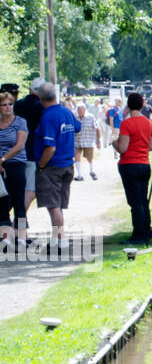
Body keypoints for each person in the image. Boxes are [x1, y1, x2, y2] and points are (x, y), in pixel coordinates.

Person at [32, 81, 79, 248]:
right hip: (67, 164)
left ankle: (61, 240)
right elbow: (77, 127)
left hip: (52, 167)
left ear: (39, 97)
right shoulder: (66, 112)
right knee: (57, 204)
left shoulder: (47, 117)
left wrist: (41, 165)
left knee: (53, 206)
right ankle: (57, 238)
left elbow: (50, 148)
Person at [115, 92, 152, 244]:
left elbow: (123, 148)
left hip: (129, 164)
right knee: (143, 200)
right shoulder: (149, 123)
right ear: (142, 105)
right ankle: (146, 230)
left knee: (135, 202)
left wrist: (114, 142)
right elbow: (151, 146)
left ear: (128, 105)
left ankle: (138, 235)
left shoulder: (126, 124)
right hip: (144, 164)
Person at [0, 90, 29, 245]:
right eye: (4, 105)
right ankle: (6, 236)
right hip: (0, 167)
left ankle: (22, 236)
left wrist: (3, 159)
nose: (7, 107)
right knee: (3, 202)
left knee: (19, 201)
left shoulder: (20, 122)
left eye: (10, 104)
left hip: (16, 164)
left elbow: (19, 145)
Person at [14, 78, 45, 217]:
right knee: (29, 192)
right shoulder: (42, 107)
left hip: (14, 153)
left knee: (18, 192)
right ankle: (17, 225)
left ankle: (19, 229)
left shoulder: (17, 105)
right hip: (32, 153)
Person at [73, 103, 98, 180]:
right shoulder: (75, 117)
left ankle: (92, 171)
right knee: (76, 157)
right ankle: (79, 175)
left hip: (88, 140)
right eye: (78, 110)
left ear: (84, 110)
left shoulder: (90, 117)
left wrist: (98, 140)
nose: (80, 111)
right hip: (77, 140)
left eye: (81, 109)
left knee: (89, 158)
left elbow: (97, 128)